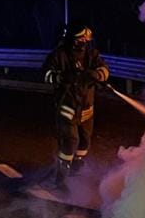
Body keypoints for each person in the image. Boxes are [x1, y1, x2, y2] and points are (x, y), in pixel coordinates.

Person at [42, 23, 109, 183]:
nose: (84, 42)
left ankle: (75, 170)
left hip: (86, 107)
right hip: (67, 106)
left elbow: (104, 70)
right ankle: (60, 177)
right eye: (81, 39)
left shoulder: (91, 54)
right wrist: (62, 77)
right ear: (73, 38)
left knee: (85, 141)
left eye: (86, 39)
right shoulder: (59, 55)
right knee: (69, 141)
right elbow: (46, 75)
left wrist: (97, 75)